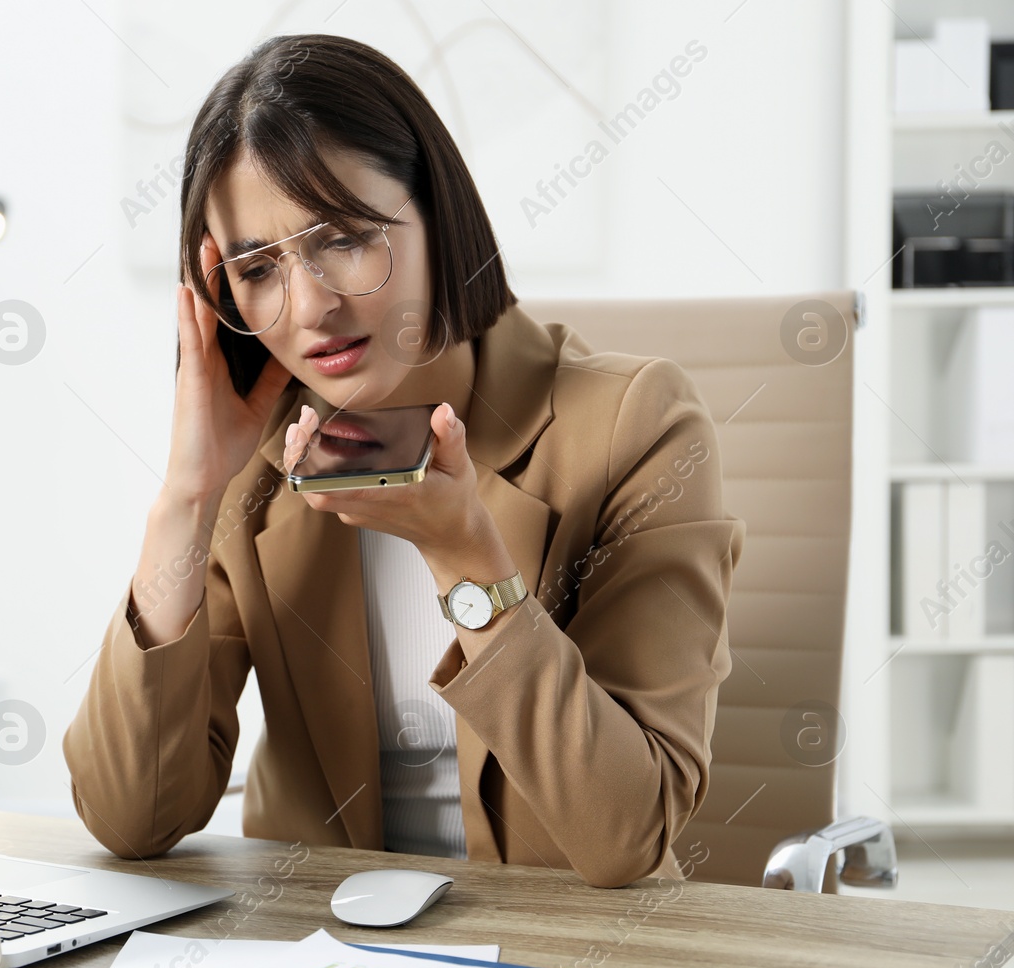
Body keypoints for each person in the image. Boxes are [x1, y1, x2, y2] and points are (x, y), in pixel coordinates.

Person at [62, 33, 745, 889]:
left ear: (436, 212)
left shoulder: (634, 426)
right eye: (257, 267)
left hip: (569, 966)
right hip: (318, 960)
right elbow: (132, 817)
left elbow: (626, 835)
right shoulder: (259, 462)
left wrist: (465, 557)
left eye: (345, 238)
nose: (310, 306)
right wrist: (187, 499)